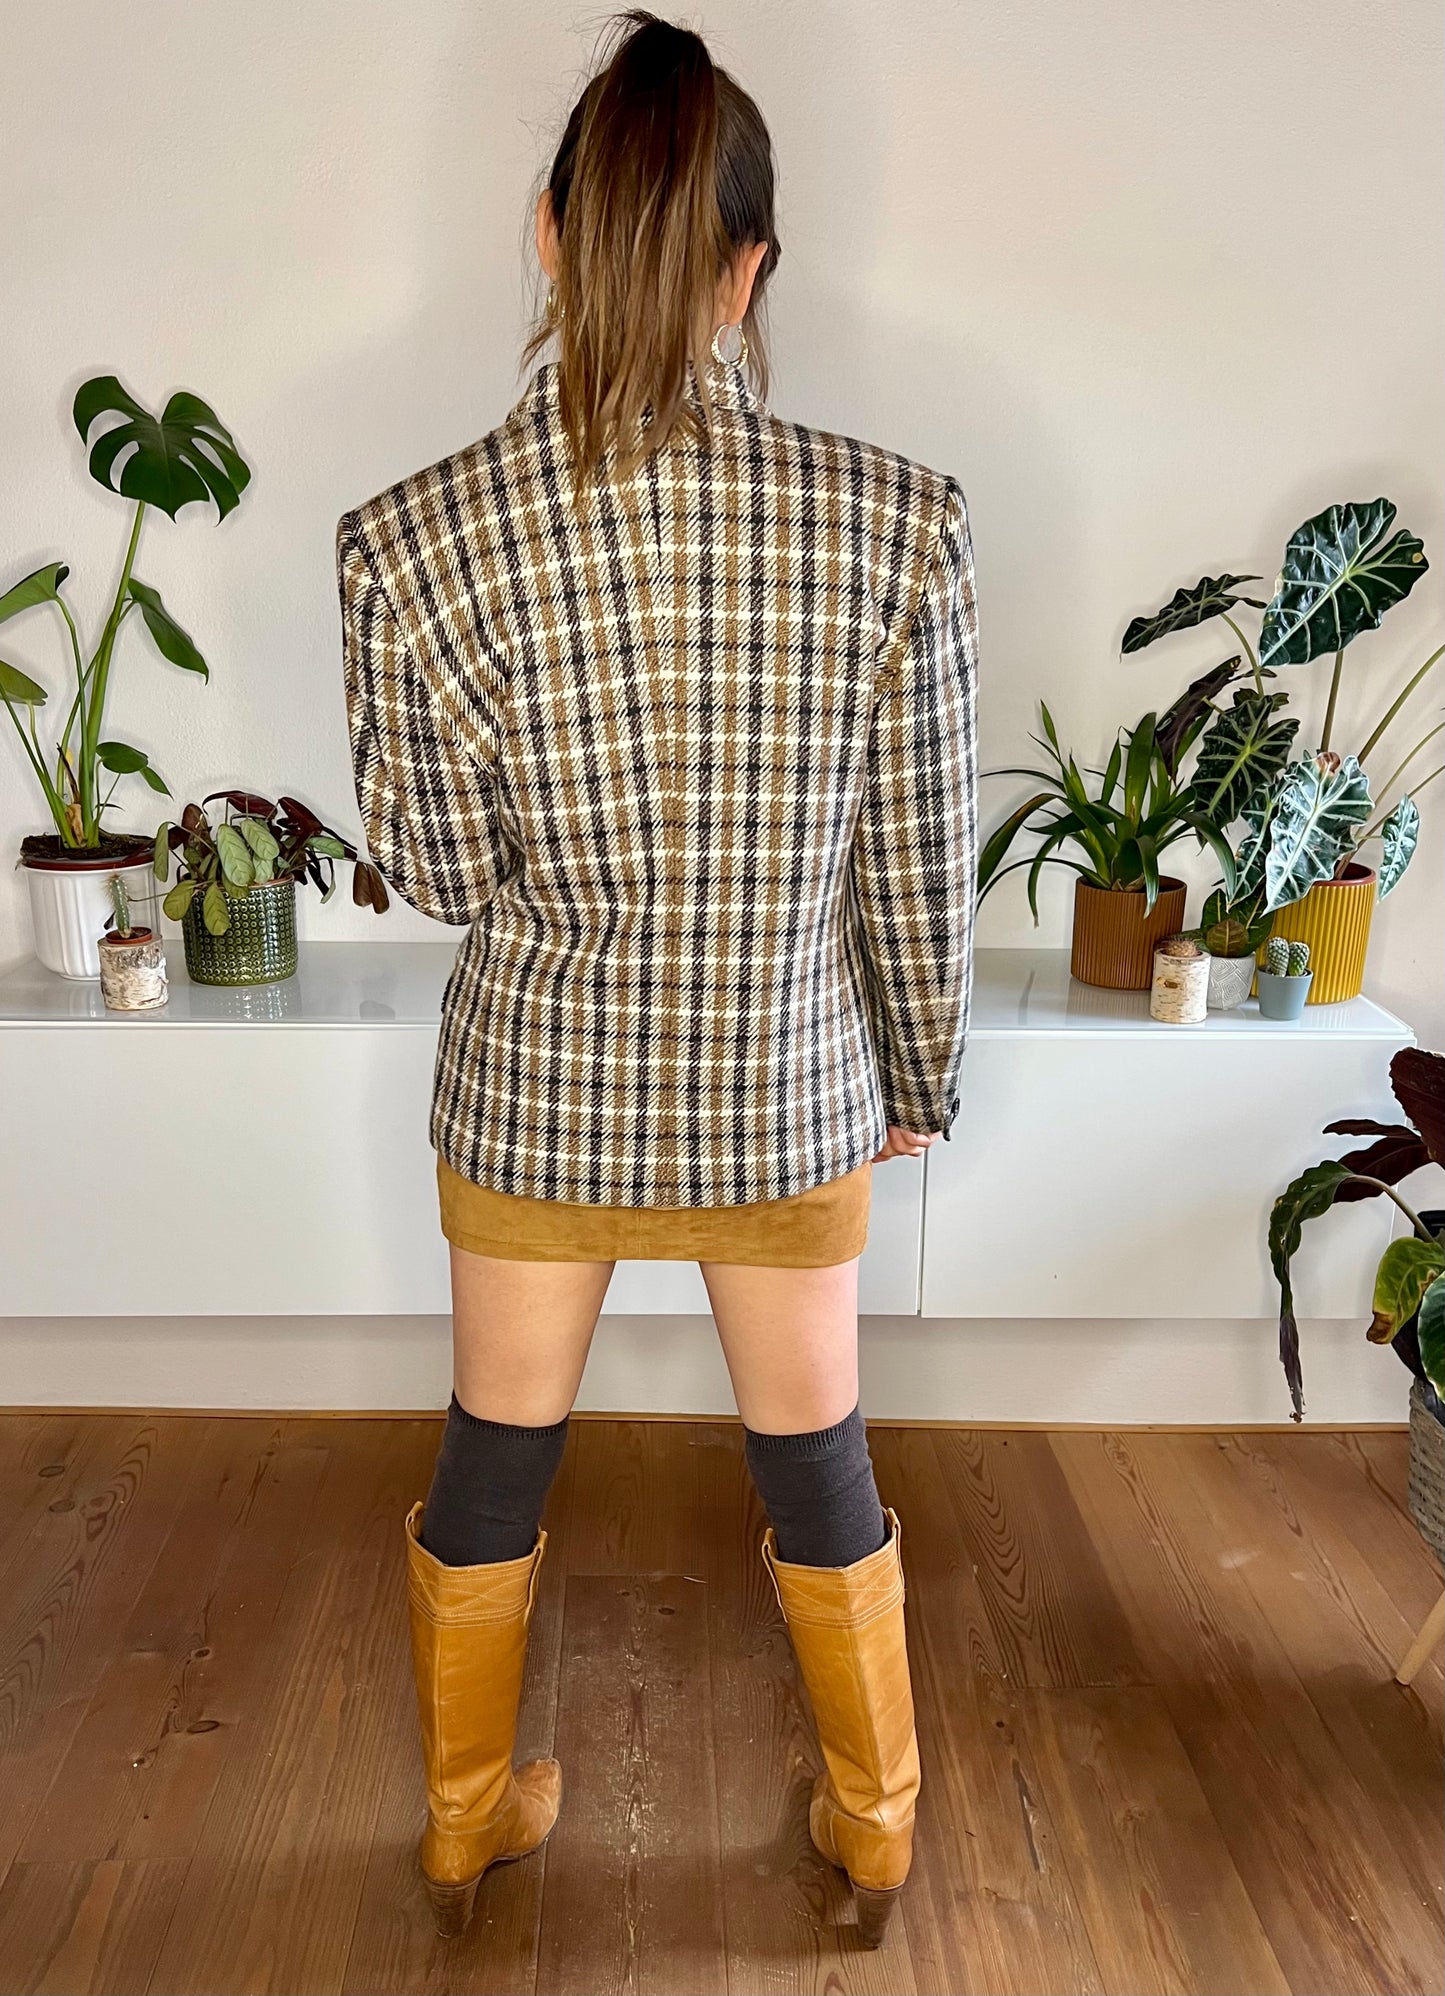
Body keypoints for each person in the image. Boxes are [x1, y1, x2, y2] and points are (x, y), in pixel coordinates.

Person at [336, 9, 978, 1951]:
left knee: (490, 1459)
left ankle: (462, 1822)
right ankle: (874, 1823)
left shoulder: (408, 542)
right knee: (821, 1467)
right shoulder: (899, 523)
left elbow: (440, 872)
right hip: (785, 1088)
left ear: (547, 234)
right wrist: (921, 1068)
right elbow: (912, 860)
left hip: (534, 1089)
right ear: (751, 265)